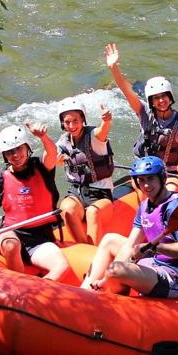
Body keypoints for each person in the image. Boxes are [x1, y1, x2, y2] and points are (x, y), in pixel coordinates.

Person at [80, 156, 178, 298]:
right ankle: (84, 291)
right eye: (141, 180)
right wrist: (109, 275)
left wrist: (152, 247)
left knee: (115, 269)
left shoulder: (176, 207)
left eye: (151, 179)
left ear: (162, 178)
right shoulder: (144, 206)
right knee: (109, 240)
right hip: (154, 262)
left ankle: (113, 297)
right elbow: (130, 245)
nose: (146, 185)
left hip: (177, 276)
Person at [0, 123, 70, 281]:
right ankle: (19, 284)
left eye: (19, 148)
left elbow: (52, 152)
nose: (15, 155)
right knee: (12, 245)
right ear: (4, 155)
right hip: (12, 233)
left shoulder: (42, 167)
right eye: (9, 152)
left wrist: (42, 137)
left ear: (27, 147)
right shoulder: (0, 181)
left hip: (40, 238)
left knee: (62, 267)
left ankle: (34, 291)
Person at [105, 42, 178, 191]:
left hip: (167, 172)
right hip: (144, 168)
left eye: (164, 96)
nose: (161, 101)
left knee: (171, 189)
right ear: (151, 101)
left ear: (170, 97)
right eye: (156, 98)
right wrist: (114, 69)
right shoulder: (144, 112)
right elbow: (126, 90)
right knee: (141, 186)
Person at [54, 96, 114, 244]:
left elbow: (102, 131)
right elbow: (51, 157)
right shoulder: (63, 141)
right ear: (62, 123)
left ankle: (95, 254)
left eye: (75, 120)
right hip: (77, 192)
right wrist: (56, 159)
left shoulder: (94, 136)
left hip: (100, 193)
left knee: (93, 212)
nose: (71, 125)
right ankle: (85, 248)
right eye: (67, 122)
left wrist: (106, 121)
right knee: (66, 210)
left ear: (83, 119)